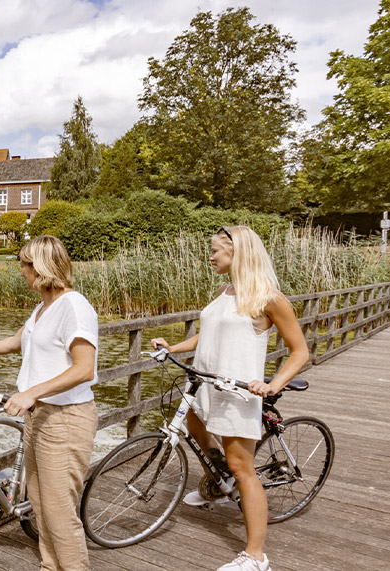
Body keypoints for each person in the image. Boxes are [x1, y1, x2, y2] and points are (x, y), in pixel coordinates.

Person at [151, 226, 308, 571]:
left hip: (237, 392)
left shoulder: (269, 299)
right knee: (194, 426)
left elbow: (300, 352)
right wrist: (173, 347)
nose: (211, 257)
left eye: (216, 251)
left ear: (238, 254)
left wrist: (273, 385)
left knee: (243, 469)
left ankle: (256, 556)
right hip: (204, 383)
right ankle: (218, 483)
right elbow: (206, 335)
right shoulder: (224, 291)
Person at [0, 235, 98, 571]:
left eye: (24, 264)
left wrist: (32, 392)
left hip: (65, 418)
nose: (21, 272)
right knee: (40, 502)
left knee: (60, 511)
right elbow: (17, 342)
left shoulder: (74, 307)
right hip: (40, 417)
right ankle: (51, 566)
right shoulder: (42, 309)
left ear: (41, 267)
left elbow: (84, 368)